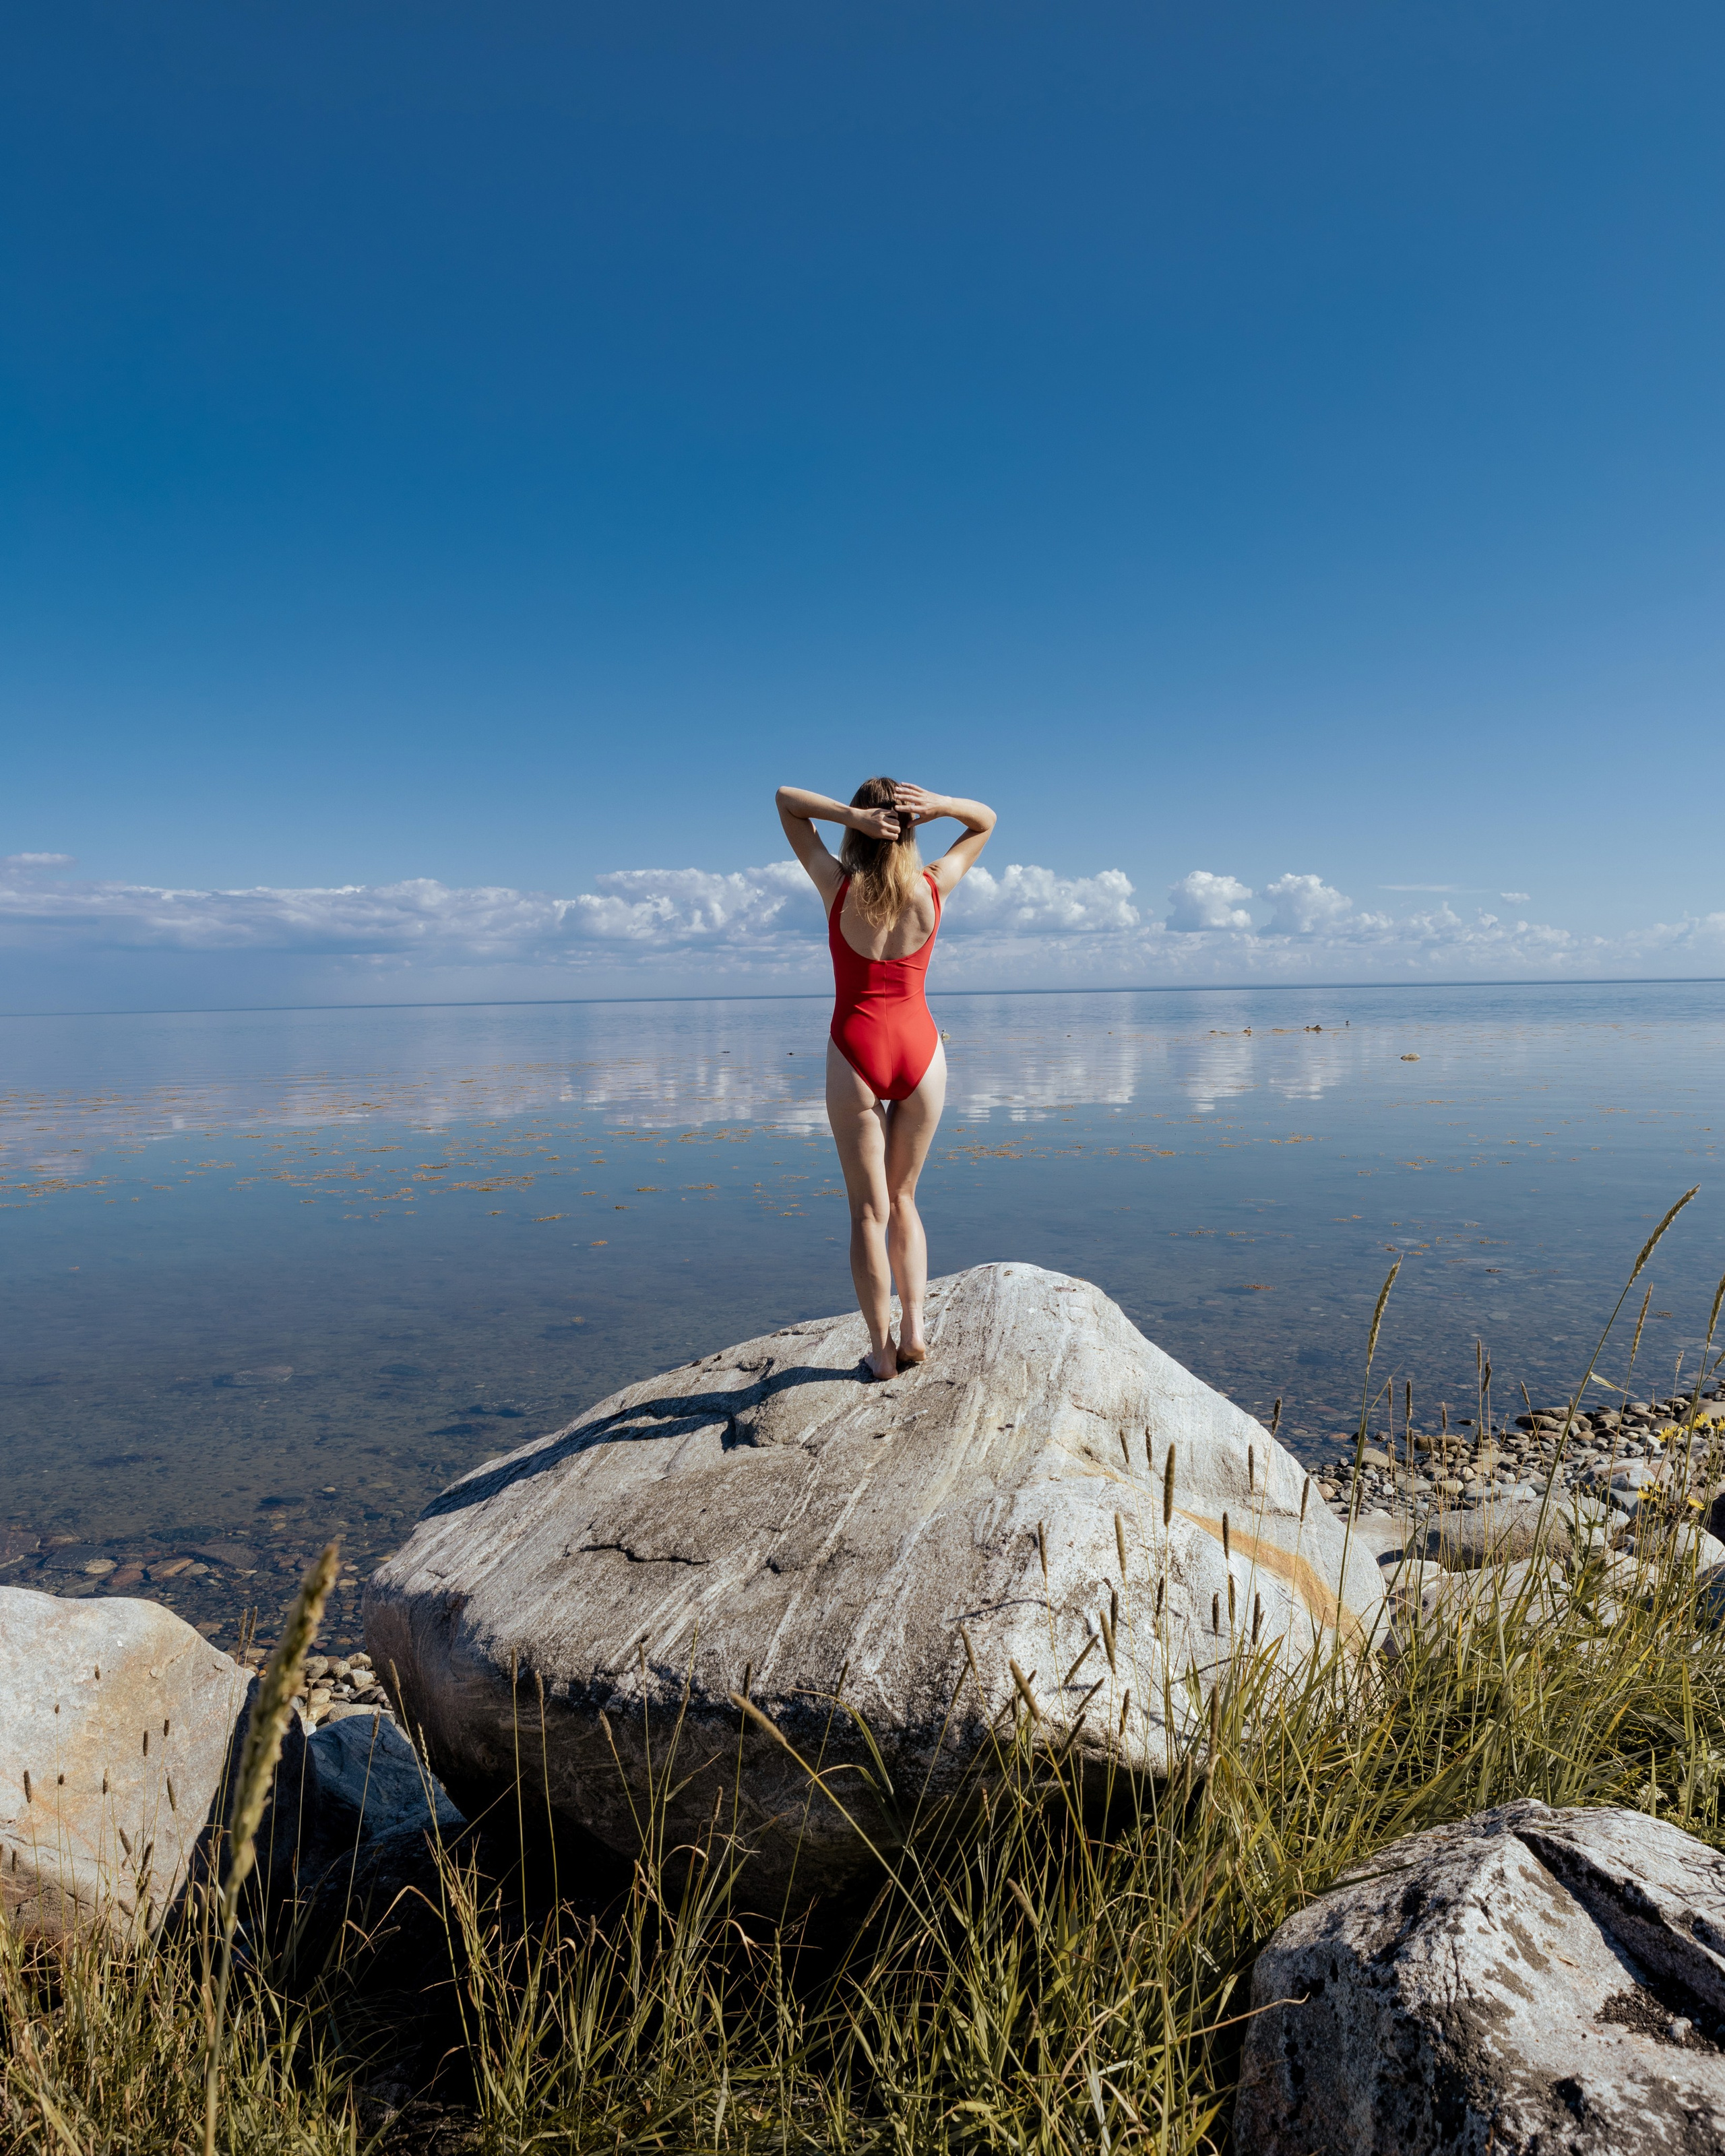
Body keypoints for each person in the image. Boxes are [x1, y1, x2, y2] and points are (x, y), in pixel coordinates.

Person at [775, 778, 997, 1381]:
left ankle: (881, 1352)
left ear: (858, 830)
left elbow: (786, 802)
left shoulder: (835, 885)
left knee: (868, 1213)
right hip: (921, 1052)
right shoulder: (934, 886)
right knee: (904, 1200)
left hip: (856, 1050)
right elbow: (986, 821)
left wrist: (855, 815)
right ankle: (916, 1332)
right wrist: (944, 805)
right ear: (912, 828)